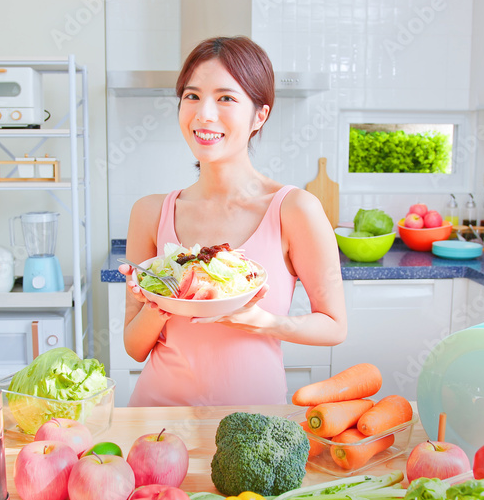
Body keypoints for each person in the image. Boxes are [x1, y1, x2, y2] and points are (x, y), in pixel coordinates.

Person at [117, 36, 347, 407]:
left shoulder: (295, 209)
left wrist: (261, 321)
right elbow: (133, 348)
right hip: (158, 418)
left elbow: (335, 325)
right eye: (192, 96)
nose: (204, 114)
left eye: (226, 98)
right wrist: (157, 303)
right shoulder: (150, 212)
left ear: (260, 115)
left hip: (254, 421)